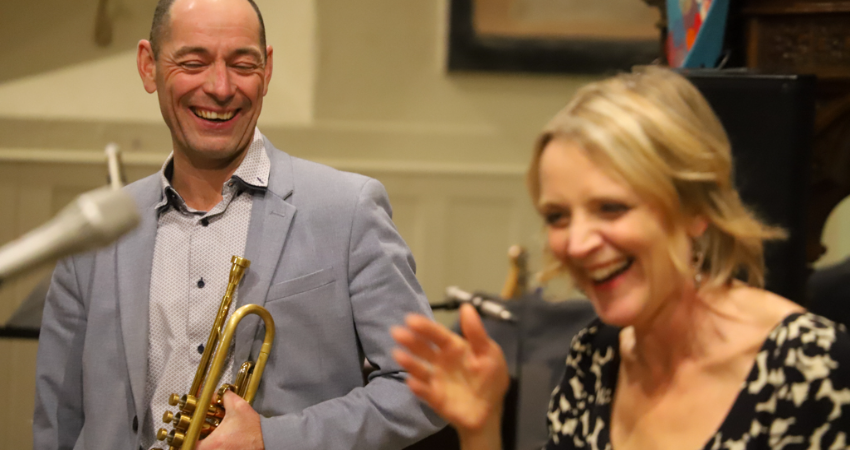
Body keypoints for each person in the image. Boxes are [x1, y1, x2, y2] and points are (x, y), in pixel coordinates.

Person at [32, 0, 442, 449]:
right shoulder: (92, 233)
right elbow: (58, 421)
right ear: (149, 67)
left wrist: (273, 439)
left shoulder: (348, 210)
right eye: (194, 63)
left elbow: (426, 386)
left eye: (242, 64)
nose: (221, 87)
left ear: (267, 70)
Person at [392, 67, 850, 450]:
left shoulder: (811, 366)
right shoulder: (596, 357)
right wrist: (481, 428)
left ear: (696, 211)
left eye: (611, 208)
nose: (577, 243)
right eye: (557, 216)